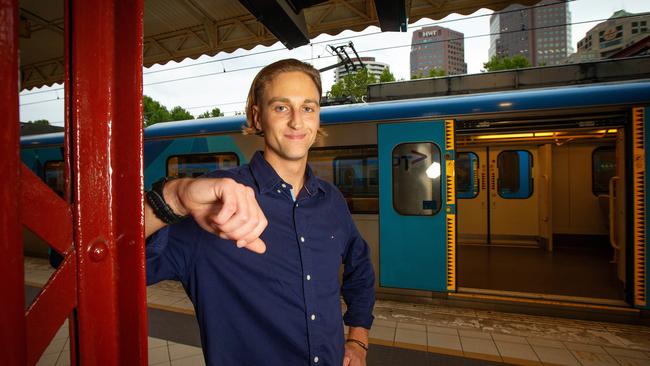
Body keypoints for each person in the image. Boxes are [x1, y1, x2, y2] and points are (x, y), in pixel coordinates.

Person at [145, 59, 376, 366]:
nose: (297, 121)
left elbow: (360, 267)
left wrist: (358, 339)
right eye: (281, 107)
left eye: (308, 107)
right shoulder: (214, 202)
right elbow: (98, 257)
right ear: (257, 116)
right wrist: (174, 197)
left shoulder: (330, 200)